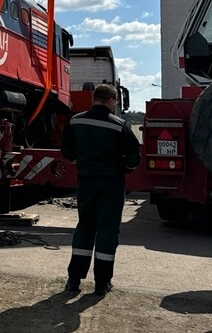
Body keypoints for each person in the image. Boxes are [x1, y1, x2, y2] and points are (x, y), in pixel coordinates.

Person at [61, 83, 141, 296]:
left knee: (85, 226)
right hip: (111, 184)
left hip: (86, 181)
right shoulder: (119, 125)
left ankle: (74, 280)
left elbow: (66, 149)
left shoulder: (76, 121)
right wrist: (124, 168)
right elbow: (134, 157)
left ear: (94, 99)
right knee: (107, 230)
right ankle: (101, 283)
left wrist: (81, 162)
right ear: (111, 101)